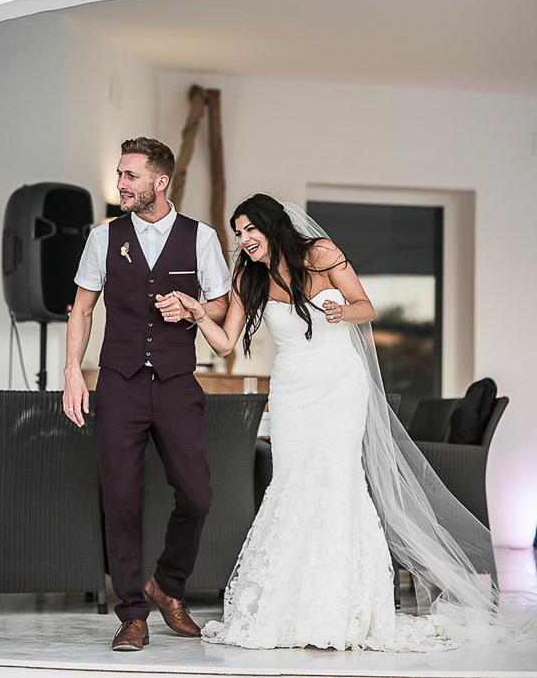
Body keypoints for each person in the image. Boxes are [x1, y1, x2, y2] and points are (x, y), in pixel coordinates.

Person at [172, 193, 519, 651]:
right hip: (293, 392)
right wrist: (198, 313)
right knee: (293, 485)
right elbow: (224, 343)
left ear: (272, 226)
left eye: (250, 229)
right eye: (238, 234)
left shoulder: (321, 253)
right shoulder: (248, 277)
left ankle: (343, 607)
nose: (245, 240)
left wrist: (342, 311)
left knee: (338, 482)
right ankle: (290, 608)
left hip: (340, 384)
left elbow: (366, 306)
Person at [62, 136, 230, 652]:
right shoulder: (103, 238)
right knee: (121, 500)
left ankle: (167, 585)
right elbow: (83, 309)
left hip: (179, 384)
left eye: (130, 176)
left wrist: (193, 307)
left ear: (161, 181)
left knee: (197, 495)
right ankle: (133, 614)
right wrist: (73, 371)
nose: (121, 184)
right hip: (119, 383)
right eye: (119, 175)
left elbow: (221, 308)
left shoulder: (200, 238)